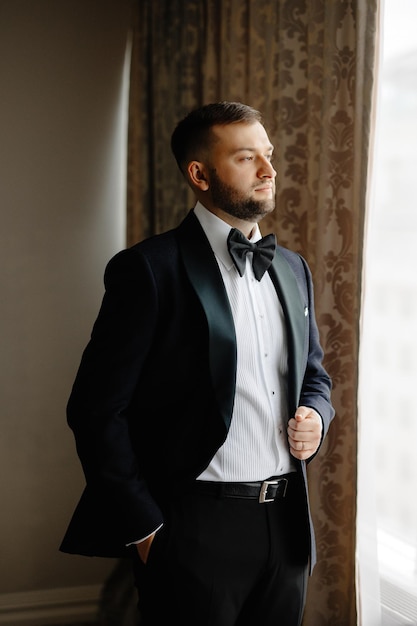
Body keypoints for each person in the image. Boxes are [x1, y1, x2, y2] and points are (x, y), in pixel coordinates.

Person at [60, 101, 335, 626]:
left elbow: (314, 376)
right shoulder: (147, 270)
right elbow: (95, 411)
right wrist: (145, 529)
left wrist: (316, 417)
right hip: (191, 528)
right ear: (200, 173)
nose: (269, 170)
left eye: (269, 155)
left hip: (287, 524)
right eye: (247, 157)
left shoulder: (293, 268)